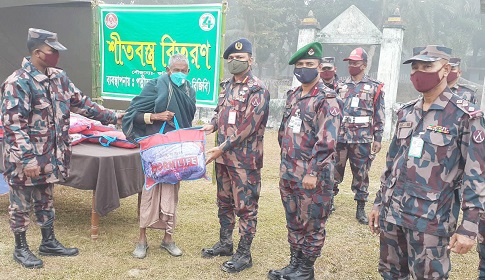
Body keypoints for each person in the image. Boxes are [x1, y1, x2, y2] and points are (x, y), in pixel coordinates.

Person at [1, 28, 124, 269]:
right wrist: (28, 160)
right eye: (52, 51)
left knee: (46, 199)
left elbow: (82, 103)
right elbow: (13, 125)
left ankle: (48, 242)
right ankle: (21, 248)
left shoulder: (58, 77)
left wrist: (115, 117)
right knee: (21, 204)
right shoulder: (17, 83)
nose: (57, 55)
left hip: (50, 156)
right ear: (37, 52)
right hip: (25, 159)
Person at [368, 45, 485, 279]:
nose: (419, 73)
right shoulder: (406, 112)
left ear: (446, 70)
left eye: (428, 66)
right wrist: (379, 202)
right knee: (390, 273)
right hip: (393, 213)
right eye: (415, 68)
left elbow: (477, 175)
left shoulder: (466, 116)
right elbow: (392, 164)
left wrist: (469, 227)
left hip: (431, 219)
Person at [267, 42, 342, 280]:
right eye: (300, 65)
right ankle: (295, 263)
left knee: (312, 222)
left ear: (320, 67)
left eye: (309, 64)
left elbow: (327, 142)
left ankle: (306, 269)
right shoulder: (294, 95)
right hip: (289, 170)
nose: (304, 69)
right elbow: (284, 132)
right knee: (294, 219)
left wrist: (312, 172)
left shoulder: (327, 99)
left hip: (313, 175)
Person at [201, 38, 270, 273]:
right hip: (223, 159)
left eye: (240, 58)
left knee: (246, 206)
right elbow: (220, 113)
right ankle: (225, 242)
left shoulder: (258, 89)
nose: (235, 62)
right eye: (231, 59)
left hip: (244, 161)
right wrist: (211, 125)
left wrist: (223, 146)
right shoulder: (226, 86)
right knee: (224, 201)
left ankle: (244, 253)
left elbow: (249, 126)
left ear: (250, 60)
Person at [122, 54, 197, 259]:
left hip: (175, 152)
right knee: (149, 192)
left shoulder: (190, 91)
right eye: (176, 70)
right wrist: (155, 116)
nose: (179, 74)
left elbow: (188, 119)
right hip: (154, 150)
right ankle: (142, 240)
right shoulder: (154, 86)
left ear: (188, 72)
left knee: (171, 193)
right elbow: (132, 115)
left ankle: (168, 239)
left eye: (183, 70)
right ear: (167, 69)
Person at [333, 47, 385, 223]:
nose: (352, 66)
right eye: (350, 63)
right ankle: (329, 202)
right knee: (334, 171)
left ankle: (360, 207)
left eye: (355, 63)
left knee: (361, 174)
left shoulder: (374, 87)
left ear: (364, 65)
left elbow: (379, 113)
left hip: (361, 139)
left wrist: (378, 137)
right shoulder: (339, 85)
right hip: (340, 137)